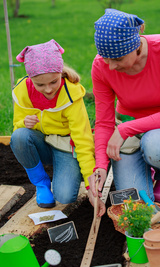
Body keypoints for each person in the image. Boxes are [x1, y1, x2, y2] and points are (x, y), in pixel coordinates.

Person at [88, 9, 160, 207]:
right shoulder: (100, 66)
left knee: (155, 148)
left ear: (135, 46)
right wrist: (101, 166)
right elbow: (104, 122)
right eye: (105, 58)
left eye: (118, 59)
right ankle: (147, 165)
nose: (110, 67)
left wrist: (124, 129)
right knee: (133, 201)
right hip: (131, 135)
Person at [10, 39, 105, 216]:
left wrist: (89, 184)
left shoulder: (71, 94)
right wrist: (24, 123)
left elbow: (83, 140)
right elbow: (17, 126)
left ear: (60, 73)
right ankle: (41, 184)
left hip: (66, 147)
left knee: (65, 196)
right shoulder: (22, 91)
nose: (48, 89)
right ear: (30, 79)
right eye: (40, 85)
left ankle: (65, 167)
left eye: (54, 82)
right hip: (41, 143)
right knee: (20, 136)